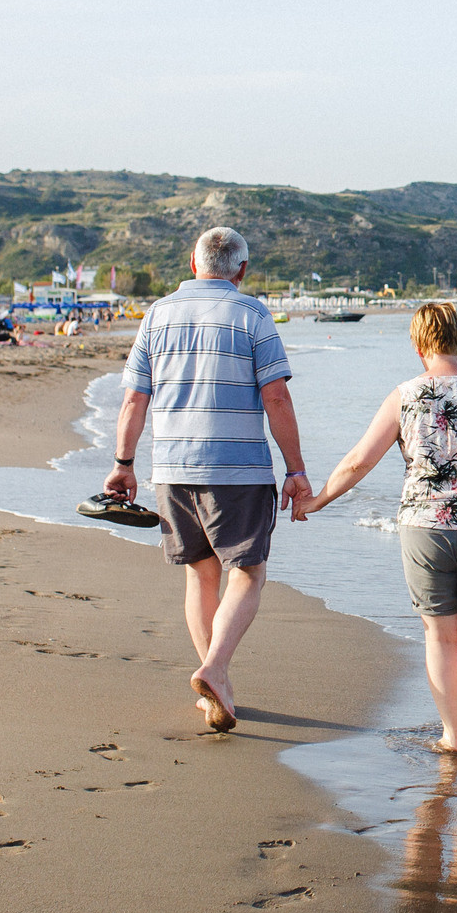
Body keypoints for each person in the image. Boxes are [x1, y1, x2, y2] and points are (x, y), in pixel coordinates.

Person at [307, 302, 457, 757]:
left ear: (418, 344)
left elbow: (360, 460)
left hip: (425, 530)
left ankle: (453, 735)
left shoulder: (403, 395)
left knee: (440, 636)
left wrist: (318, 500)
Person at [105, 227, 311, 732]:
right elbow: (277, 397)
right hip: (236, 468)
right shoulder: (252, 314)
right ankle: (215, 668)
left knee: (200, 573)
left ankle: (216, 683)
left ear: (192, 263)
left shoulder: (157, 314)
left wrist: (123, 463)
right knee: (248, 572)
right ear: (241, 270)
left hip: (173, 467)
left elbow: (135, 398)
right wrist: (297, 470)